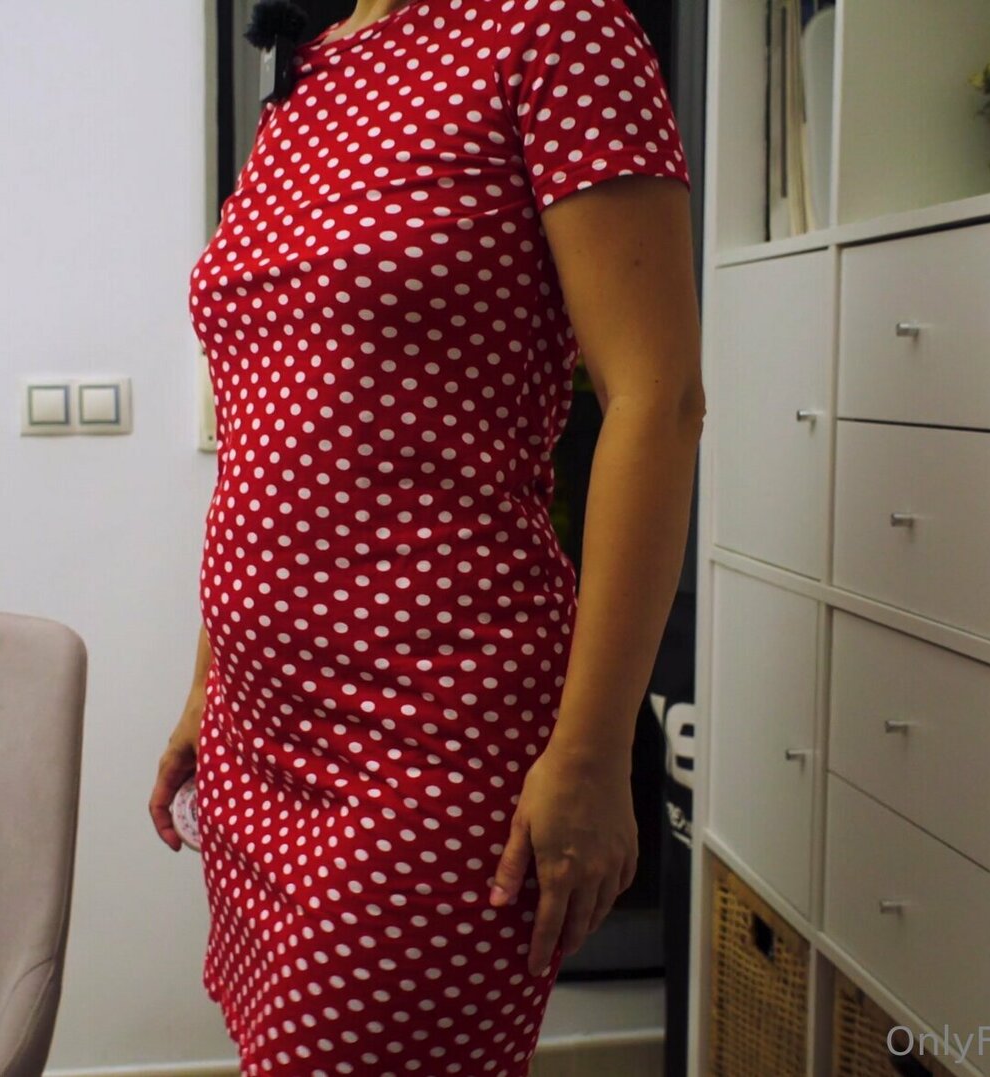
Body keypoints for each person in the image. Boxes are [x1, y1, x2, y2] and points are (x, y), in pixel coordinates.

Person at [151, 0, 701, 1072]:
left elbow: (658, 399)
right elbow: (274, 424)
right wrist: (206, 687)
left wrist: (594, 752)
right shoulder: (308, 77)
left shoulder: (556, 32)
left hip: (432, 723)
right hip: (260, 726)